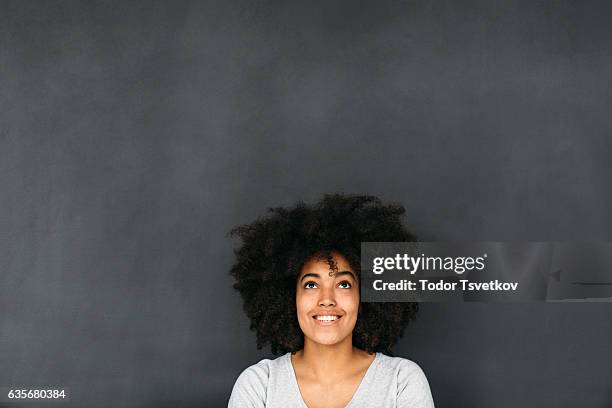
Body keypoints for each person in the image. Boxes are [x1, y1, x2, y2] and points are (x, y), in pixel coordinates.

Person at [228, 194, 434, 408]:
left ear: (363, 296)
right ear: (290, 297)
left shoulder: (401, 381)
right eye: (311, 284)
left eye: (343, 284)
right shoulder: (260, 385)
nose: (327, 300)